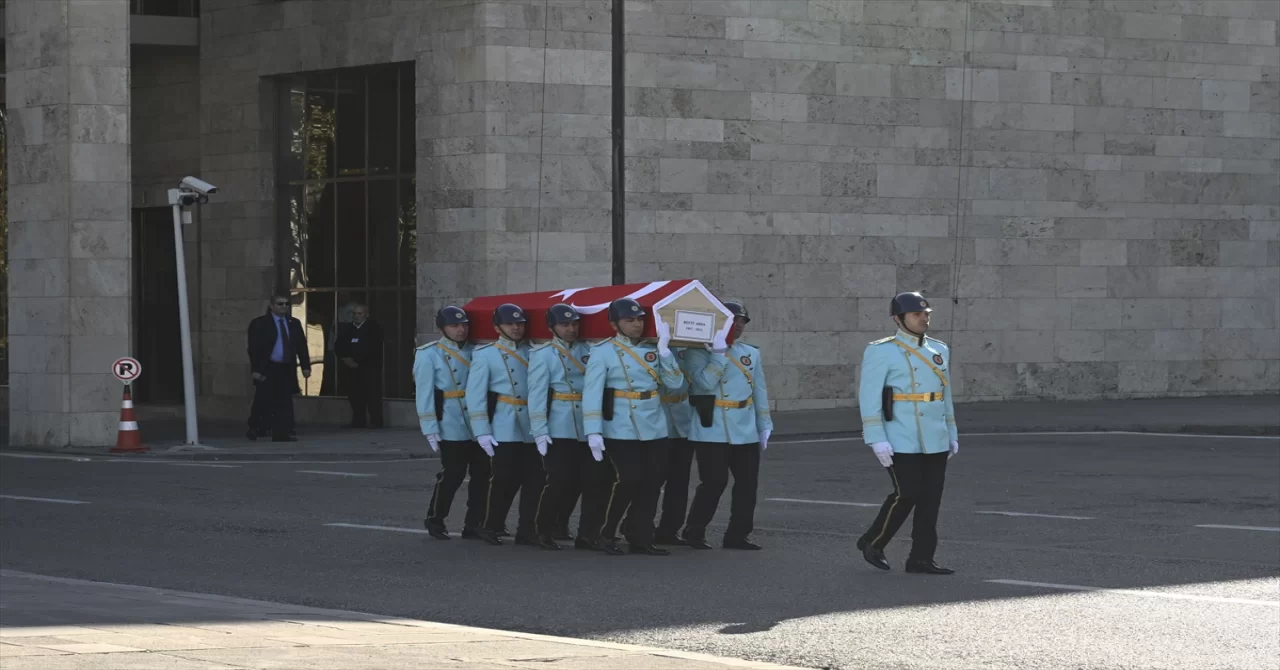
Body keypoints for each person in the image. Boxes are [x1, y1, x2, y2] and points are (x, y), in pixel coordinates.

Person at [855, 291, 959, 575]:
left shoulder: (940, 350)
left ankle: (921, 558)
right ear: (898, 319)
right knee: (907, 492)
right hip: (900, 434)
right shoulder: (881, 350)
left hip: (934, 434)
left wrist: (951, 431)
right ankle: (873, 542)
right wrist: (875, 436)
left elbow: (944, 395)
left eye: (926, 313)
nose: (924, 318)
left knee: (931, 499)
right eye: (916, 314)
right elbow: (869, 396)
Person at [581, 298, 687, 556]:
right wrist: (593, 430)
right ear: (614, 324)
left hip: (653, 424)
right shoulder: (603, 351)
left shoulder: (654, 350)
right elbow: (592, 392)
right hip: (620, 425)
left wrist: (664, 352)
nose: (636, 324)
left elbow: (676, 386)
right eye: (630, 320)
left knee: (652, 483)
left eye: (640, 319)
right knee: (629, 480)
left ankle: (640, 536)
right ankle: (606, 533)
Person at [679, 301, 772, 550]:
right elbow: (702, 384)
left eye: (743, 320)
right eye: (734, 319)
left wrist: (764, 424)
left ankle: (738, 535)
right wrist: (718, 355)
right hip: (713, 426)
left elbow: (759, 390)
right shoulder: (698, 352)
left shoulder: (750, 352)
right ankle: (694, 530)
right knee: (714, 482)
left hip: (745, 426)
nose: (739, 324)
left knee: (748, 485)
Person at [466, 303, 538, 547]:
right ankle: (490, 524)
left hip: (531, 423)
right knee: (503, 479)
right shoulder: (486, 355)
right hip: (504, 422)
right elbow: (475, 396)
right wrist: (482, 431)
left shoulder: (534, 351)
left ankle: (527, 529)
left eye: (520, 323)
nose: (517, 328)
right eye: (510, 324)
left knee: (535, 479)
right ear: (497, 327)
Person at [417, 306, 490, 541]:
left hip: (479, 421)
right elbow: (425, 393)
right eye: (454, 326)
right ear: (442, 328)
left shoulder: (478, 351)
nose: (461, 330)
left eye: (464, 325)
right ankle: (436, 518)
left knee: (483, 474)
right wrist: (430, 428)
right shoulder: (429, 354)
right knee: (453, 474)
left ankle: (474, 523)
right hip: (450, 420)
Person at [527, 303, 591, 549]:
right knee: (558, 480)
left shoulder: (589, 350)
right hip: (559, 424)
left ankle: (561, 524)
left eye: (574, 324)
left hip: (586, 424)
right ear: (552, 327)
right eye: (565, 325)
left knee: (580, 482)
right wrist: (540, 431)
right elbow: (537, 396)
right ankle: (542, 528)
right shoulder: (543, 355)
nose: (571, 329)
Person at [246, 294, 311, 442]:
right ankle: (255, 427)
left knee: (284, 400)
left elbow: (301, 346)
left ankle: (282, 432)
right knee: (262, 398)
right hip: (268, 367)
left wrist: (306, 366)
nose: (284, 307)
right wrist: (256, 369)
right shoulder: (260, 323)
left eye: (287, 304)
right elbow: (254, 348)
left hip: (286, 367)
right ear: (271, 306)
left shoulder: (293, 323)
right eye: (280, 304)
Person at [334, 303, 385, 428]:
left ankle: (376, 421)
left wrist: (360, 361)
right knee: (355, 395)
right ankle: (358, 420)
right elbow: (338, 345)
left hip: (369, 368)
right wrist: (346, 359)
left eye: (359, 313)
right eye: (354, 314)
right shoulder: (347, 329)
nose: (356, 316)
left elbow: (375, 348)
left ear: (366, 315)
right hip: (351, 369)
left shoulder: (373, 328)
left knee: (372, 395)